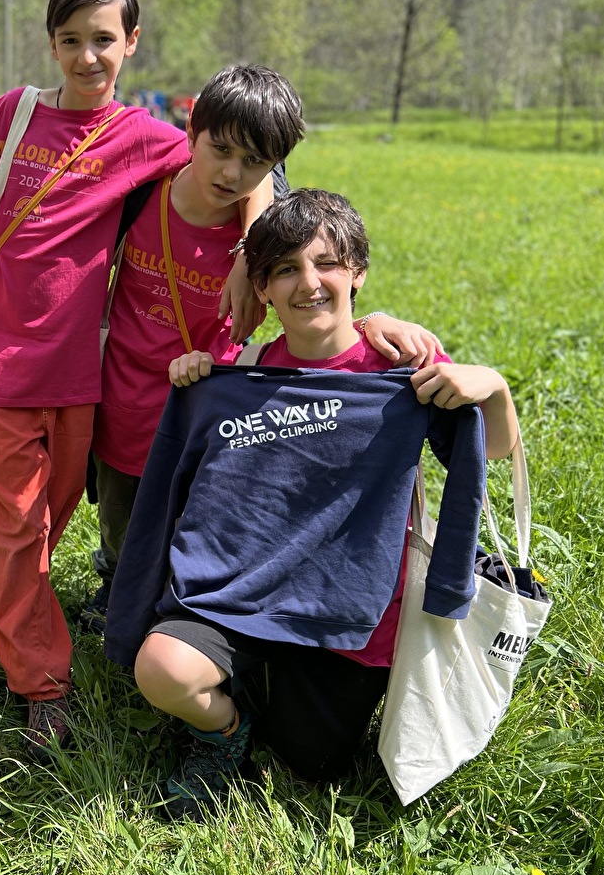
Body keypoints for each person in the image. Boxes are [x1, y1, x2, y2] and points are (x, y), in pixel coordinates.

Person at [0, 0, 277, 760]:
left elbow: (240, 163)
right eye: (71, 40)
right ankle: (41, 685)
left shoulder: (147, 139)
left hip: (86, 380)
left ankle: (24, 611)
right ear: (51, 43)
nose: (88, 57)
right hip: (7, 372)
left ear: (131, 43)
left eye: (103, 40)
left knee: (46, 526)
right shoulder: (11, 119)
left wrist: (249, 251)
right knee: (19, 530)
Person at [106, 189, 519, 817]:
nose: (309, 283)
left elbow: (490, 453)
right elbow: (171, 489)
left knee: (310, 766)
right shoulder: (236, 375)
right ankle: (222, 730)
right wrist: (200, 382)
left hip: (344, 615)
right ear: (263, 289)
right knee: (162, 671)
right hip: (236, 595)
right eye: (285, 270)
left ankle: (270, 691)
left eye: (326, 264)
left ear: (357, 273)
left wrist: (492, 386)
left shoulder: (400, 373)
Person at [82, 65, 440, 636]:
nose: (231, 173)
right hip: (123, 402)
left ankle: (189, 618)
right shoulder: (142, 193)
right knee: (126, 524)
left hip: (216, 416)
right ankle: (120, 583)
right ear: (192, 127)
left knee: (202, 531)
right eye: (220, 150)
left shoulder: (271, 239)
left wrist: (375, 321)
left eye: (252, 162)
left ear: (274, 164)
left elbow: (321, 300)